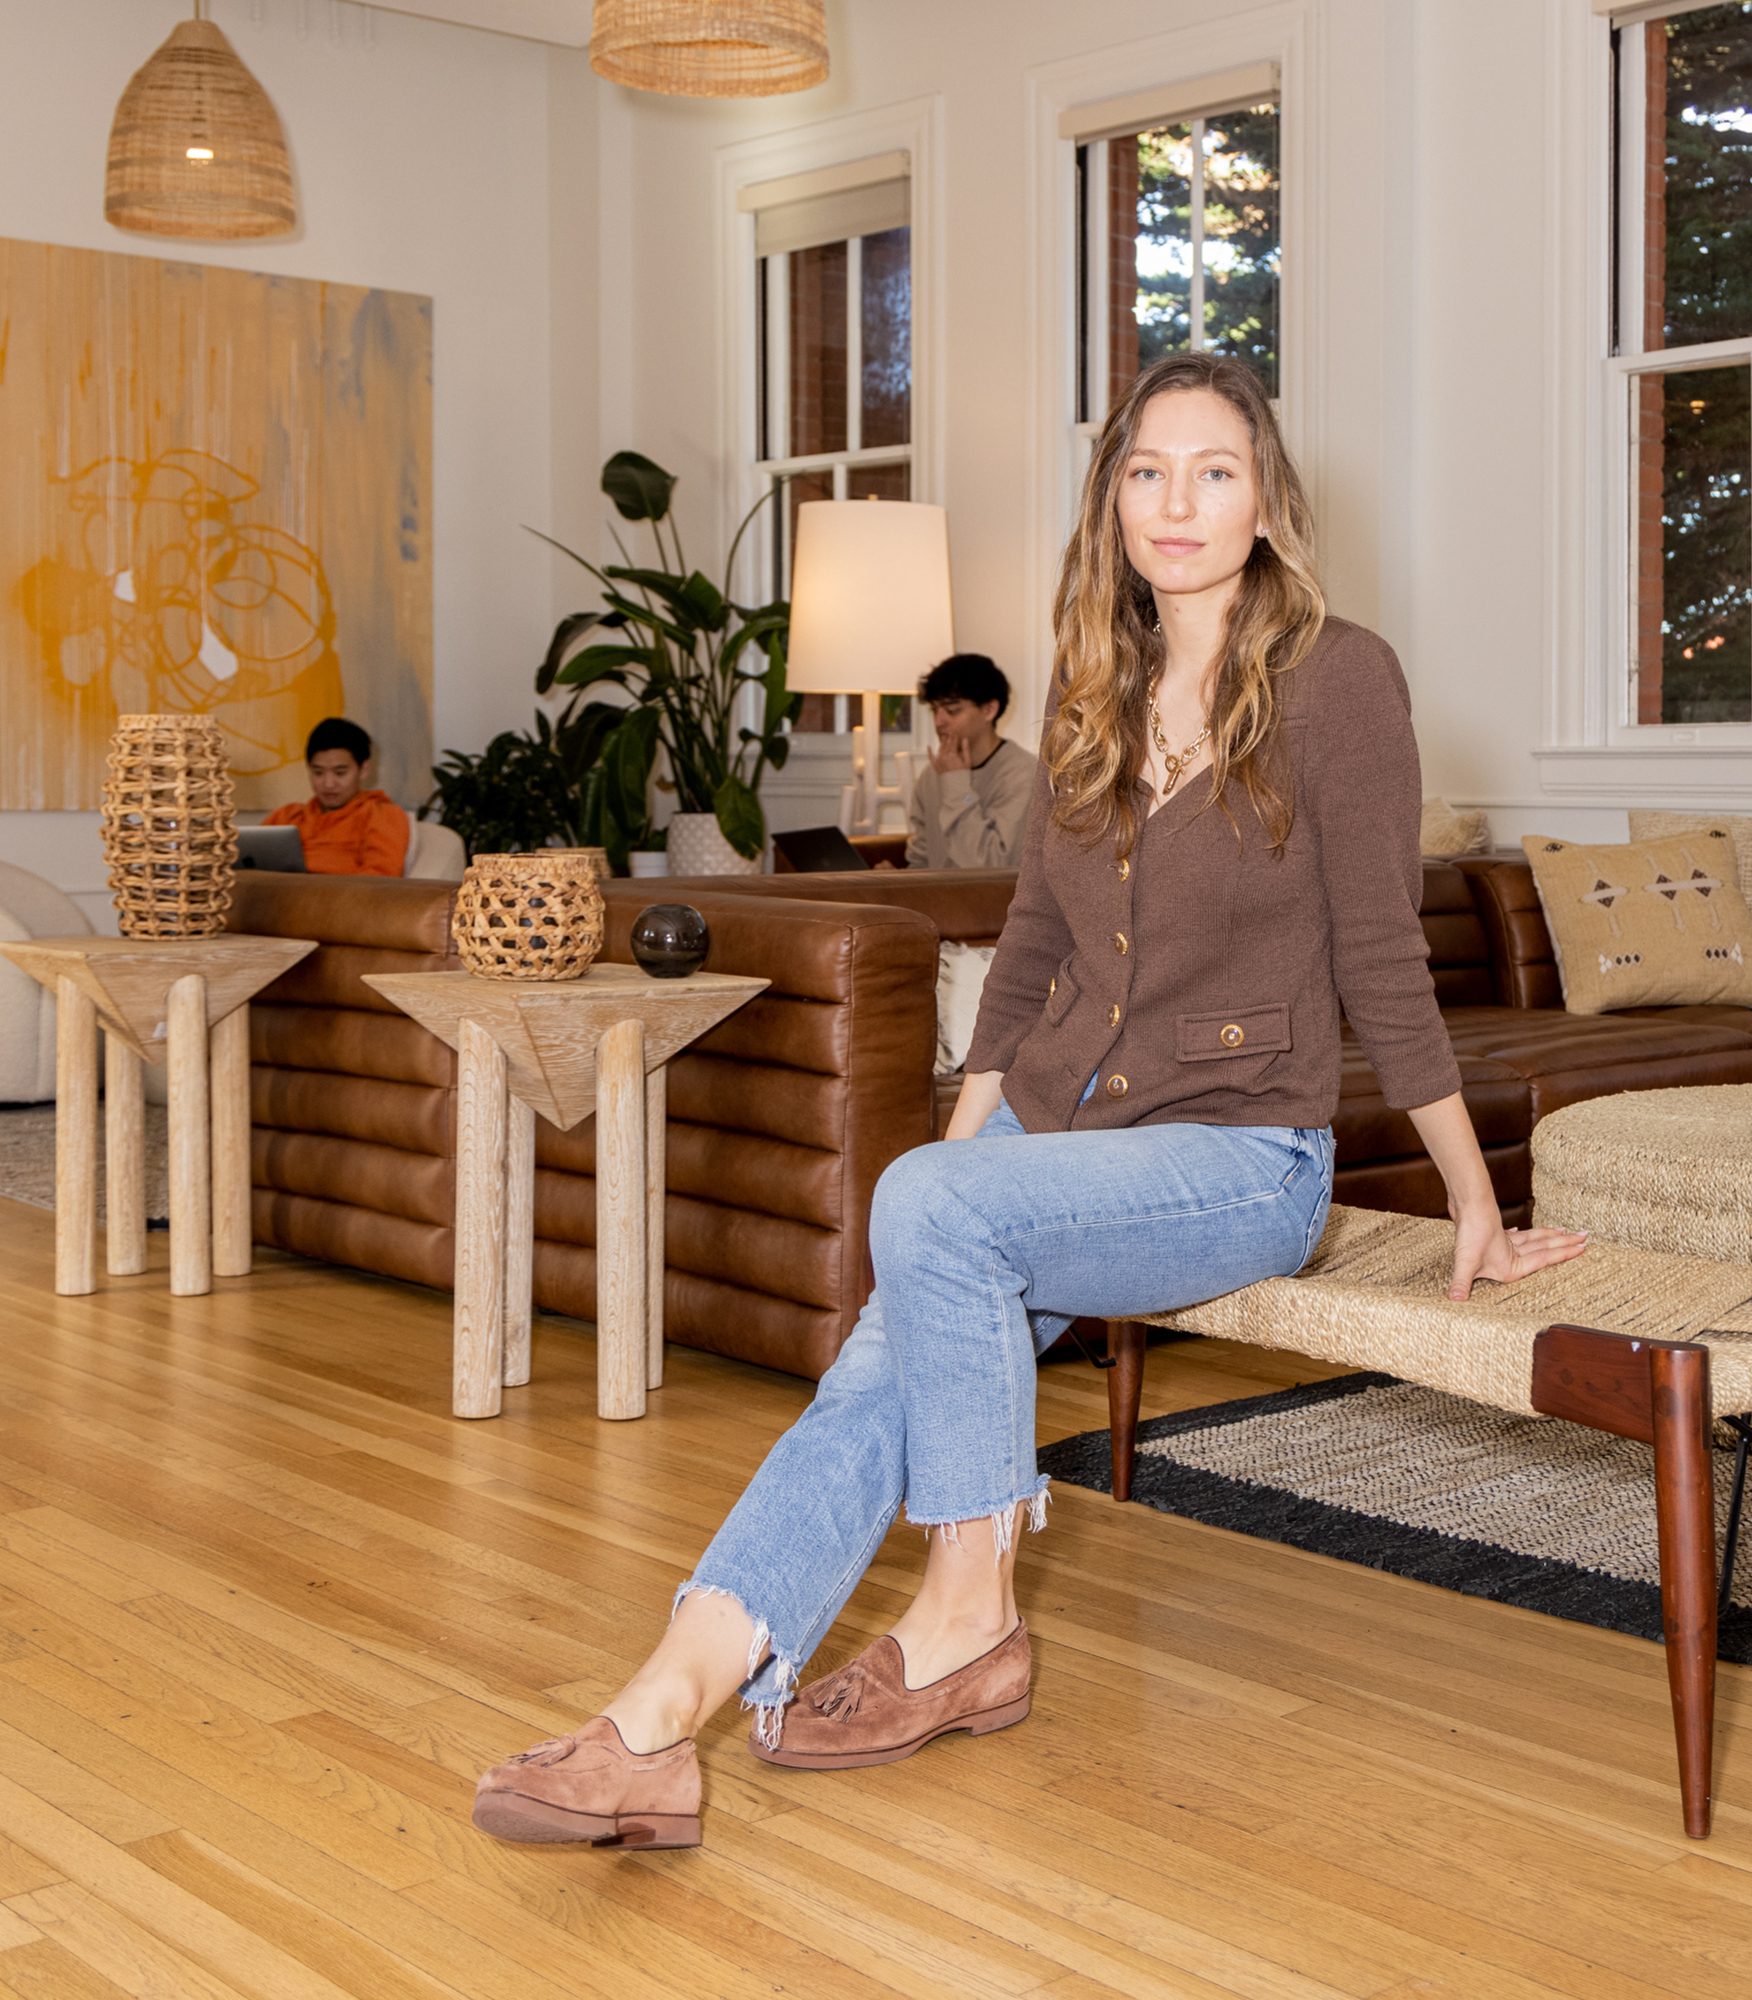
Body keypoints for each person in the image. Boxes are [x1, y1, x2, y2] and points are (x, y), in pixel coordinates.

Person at [470, 353, 1588, 1854]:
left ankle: (966, 1611)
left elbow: (1384, 957)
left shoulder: (1338, 677)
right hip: (1051, 1125)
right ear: (1108, 496)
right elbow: (1035, 940)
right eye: (1143, 470)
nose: (1174, 501)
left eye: (1211, 469)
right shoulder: (1089, 680)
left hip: (1239, 1156)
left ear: (1265, 497)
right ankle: (661, 1713)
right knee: (874, 1370)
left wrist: (1474, 1202)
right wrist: (965, 1139)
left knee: (919, 1246)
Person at [899, 654, 1036, 870]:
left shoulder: (1023, 775)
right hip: (933, 900)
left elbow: (994, 865)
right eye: (934, 710)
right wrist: (896, 879)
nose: (939, 721)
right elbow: (922, 858)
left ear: (989, 710)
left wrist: (955, 784)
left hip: (989, 902)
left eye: (952, 710)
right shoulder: (931, 774)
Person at [264, 718, 410, 875]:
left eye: (340, 773)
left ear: (364, 770)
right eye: (318, 772)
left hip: (340, 897)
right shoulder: (287, 816)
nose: (328, 784)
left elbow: (380, 880)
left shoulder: (380, 814)